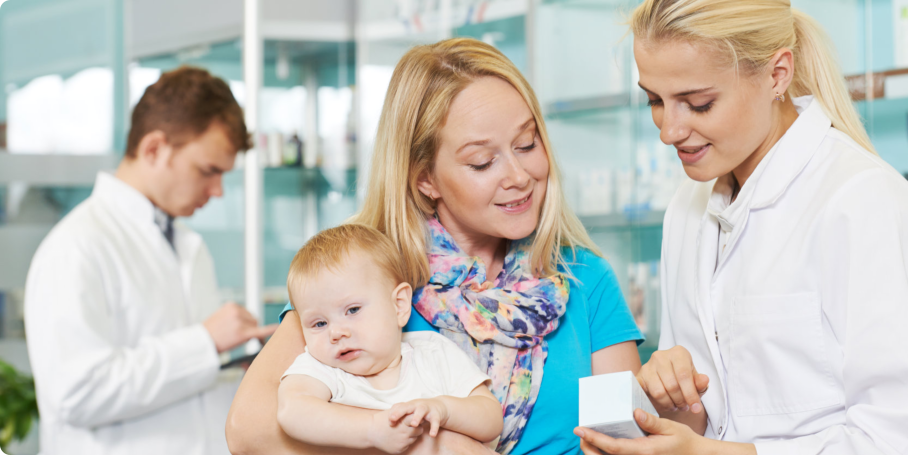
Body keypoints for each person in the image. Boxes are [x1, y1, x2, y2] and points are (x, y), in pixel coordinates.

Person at [573, 1, 908, 454]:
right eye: (654, 100)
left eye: (699, 103)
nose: (669, 130)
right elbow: (726, 413)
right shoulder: (687, 208)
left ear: (777, 75)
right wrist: (676, 401)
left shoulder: (865, 205)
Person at [226, 38, 645, 455]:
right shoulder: (360, 276)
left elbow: (625, 442)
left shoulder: (584, 278)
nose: (518, 175)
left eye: (526, 144)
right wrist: (436, 444)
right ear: (425, 178)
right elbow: (250, 431)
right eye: (482, 161)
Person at [24, 66, 278, 455]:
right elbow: (75, 393)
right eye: (208, 171)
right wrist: (205, 343)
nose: (218, 191)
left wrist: (241, 365)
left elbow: (181, 382)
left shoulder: (188, 244)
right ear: (154, 149)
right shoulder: (76, 247)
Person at [277, 224, 503, 452]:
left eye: (353, 310)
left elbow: (492, 420)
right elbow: (292, 410)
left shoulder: (433, 353)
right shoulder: (322, 369)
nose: (336, 333)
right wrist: (372, 430)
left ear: (399, 305)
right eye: (319, 324)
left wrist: (443, 410)